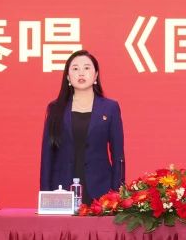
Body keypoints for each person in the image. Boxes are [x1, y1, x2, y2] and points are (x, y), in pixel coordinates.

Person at [39, 49, 125, 203]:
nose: (81, 73)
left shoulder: (110, 108)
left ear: (96, 75)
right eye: (75, 69)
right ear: (67, 77)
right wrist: (46, 195)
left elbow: (118, 154)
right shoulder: (55, 108)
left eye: (86, 68)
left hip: (101, 190)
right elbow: (47, 155)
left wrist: (117, 193)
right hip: (61, 190)